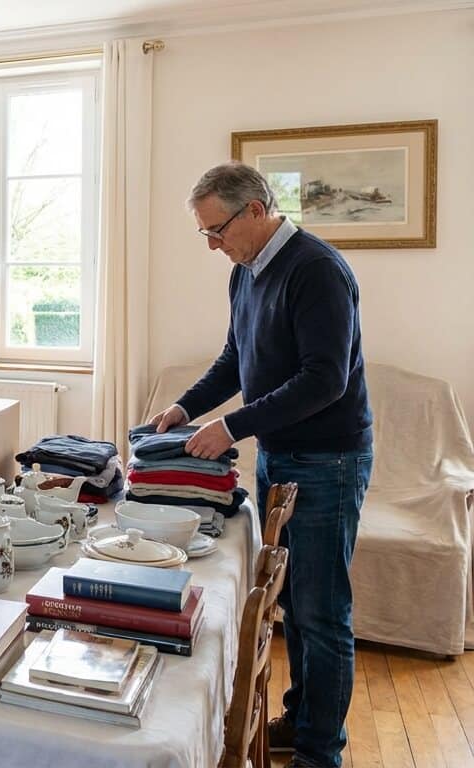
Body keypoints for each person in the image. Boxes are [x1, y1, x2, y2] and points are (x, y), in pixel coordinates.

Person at [148, 162, 373, 768]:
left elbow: (325, 380)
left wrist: (231, 427)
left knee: (322, 613)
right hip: (280, 453)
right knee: (292, 603)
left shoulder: (317, 269)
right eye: (205, 234)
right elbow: (235, 359)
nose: (213, 245)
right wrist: (185, 407)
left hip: (329, 458)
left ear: (255, 210)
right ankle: (301, 723)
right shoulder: (246, 271)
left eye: (216, 230)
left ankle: (320, 754)